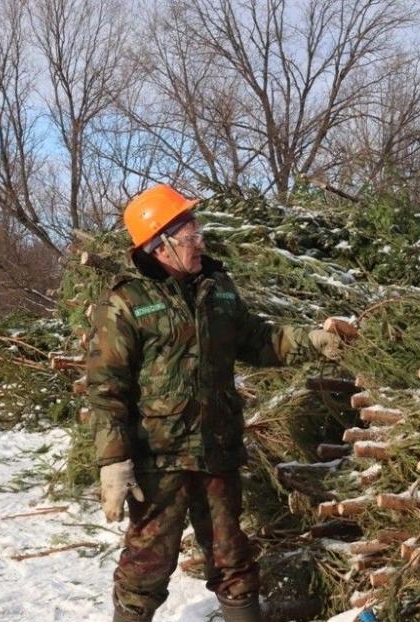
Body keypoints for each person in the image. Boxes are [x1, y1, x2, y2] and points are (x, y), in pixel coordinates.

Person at [87, 184, 342, 622]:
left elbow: (260, 340)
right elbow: (106, 385)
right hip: (157, 459)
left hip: (217, 450)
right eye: (189, 236)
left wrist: (313, 341)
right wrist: (113, 460)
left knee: (232, 559)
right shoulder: (126, 301)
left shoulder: (217, 287)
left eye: (197, 232)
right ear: (159, 244)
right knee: (146, 570)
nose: (199, 242)